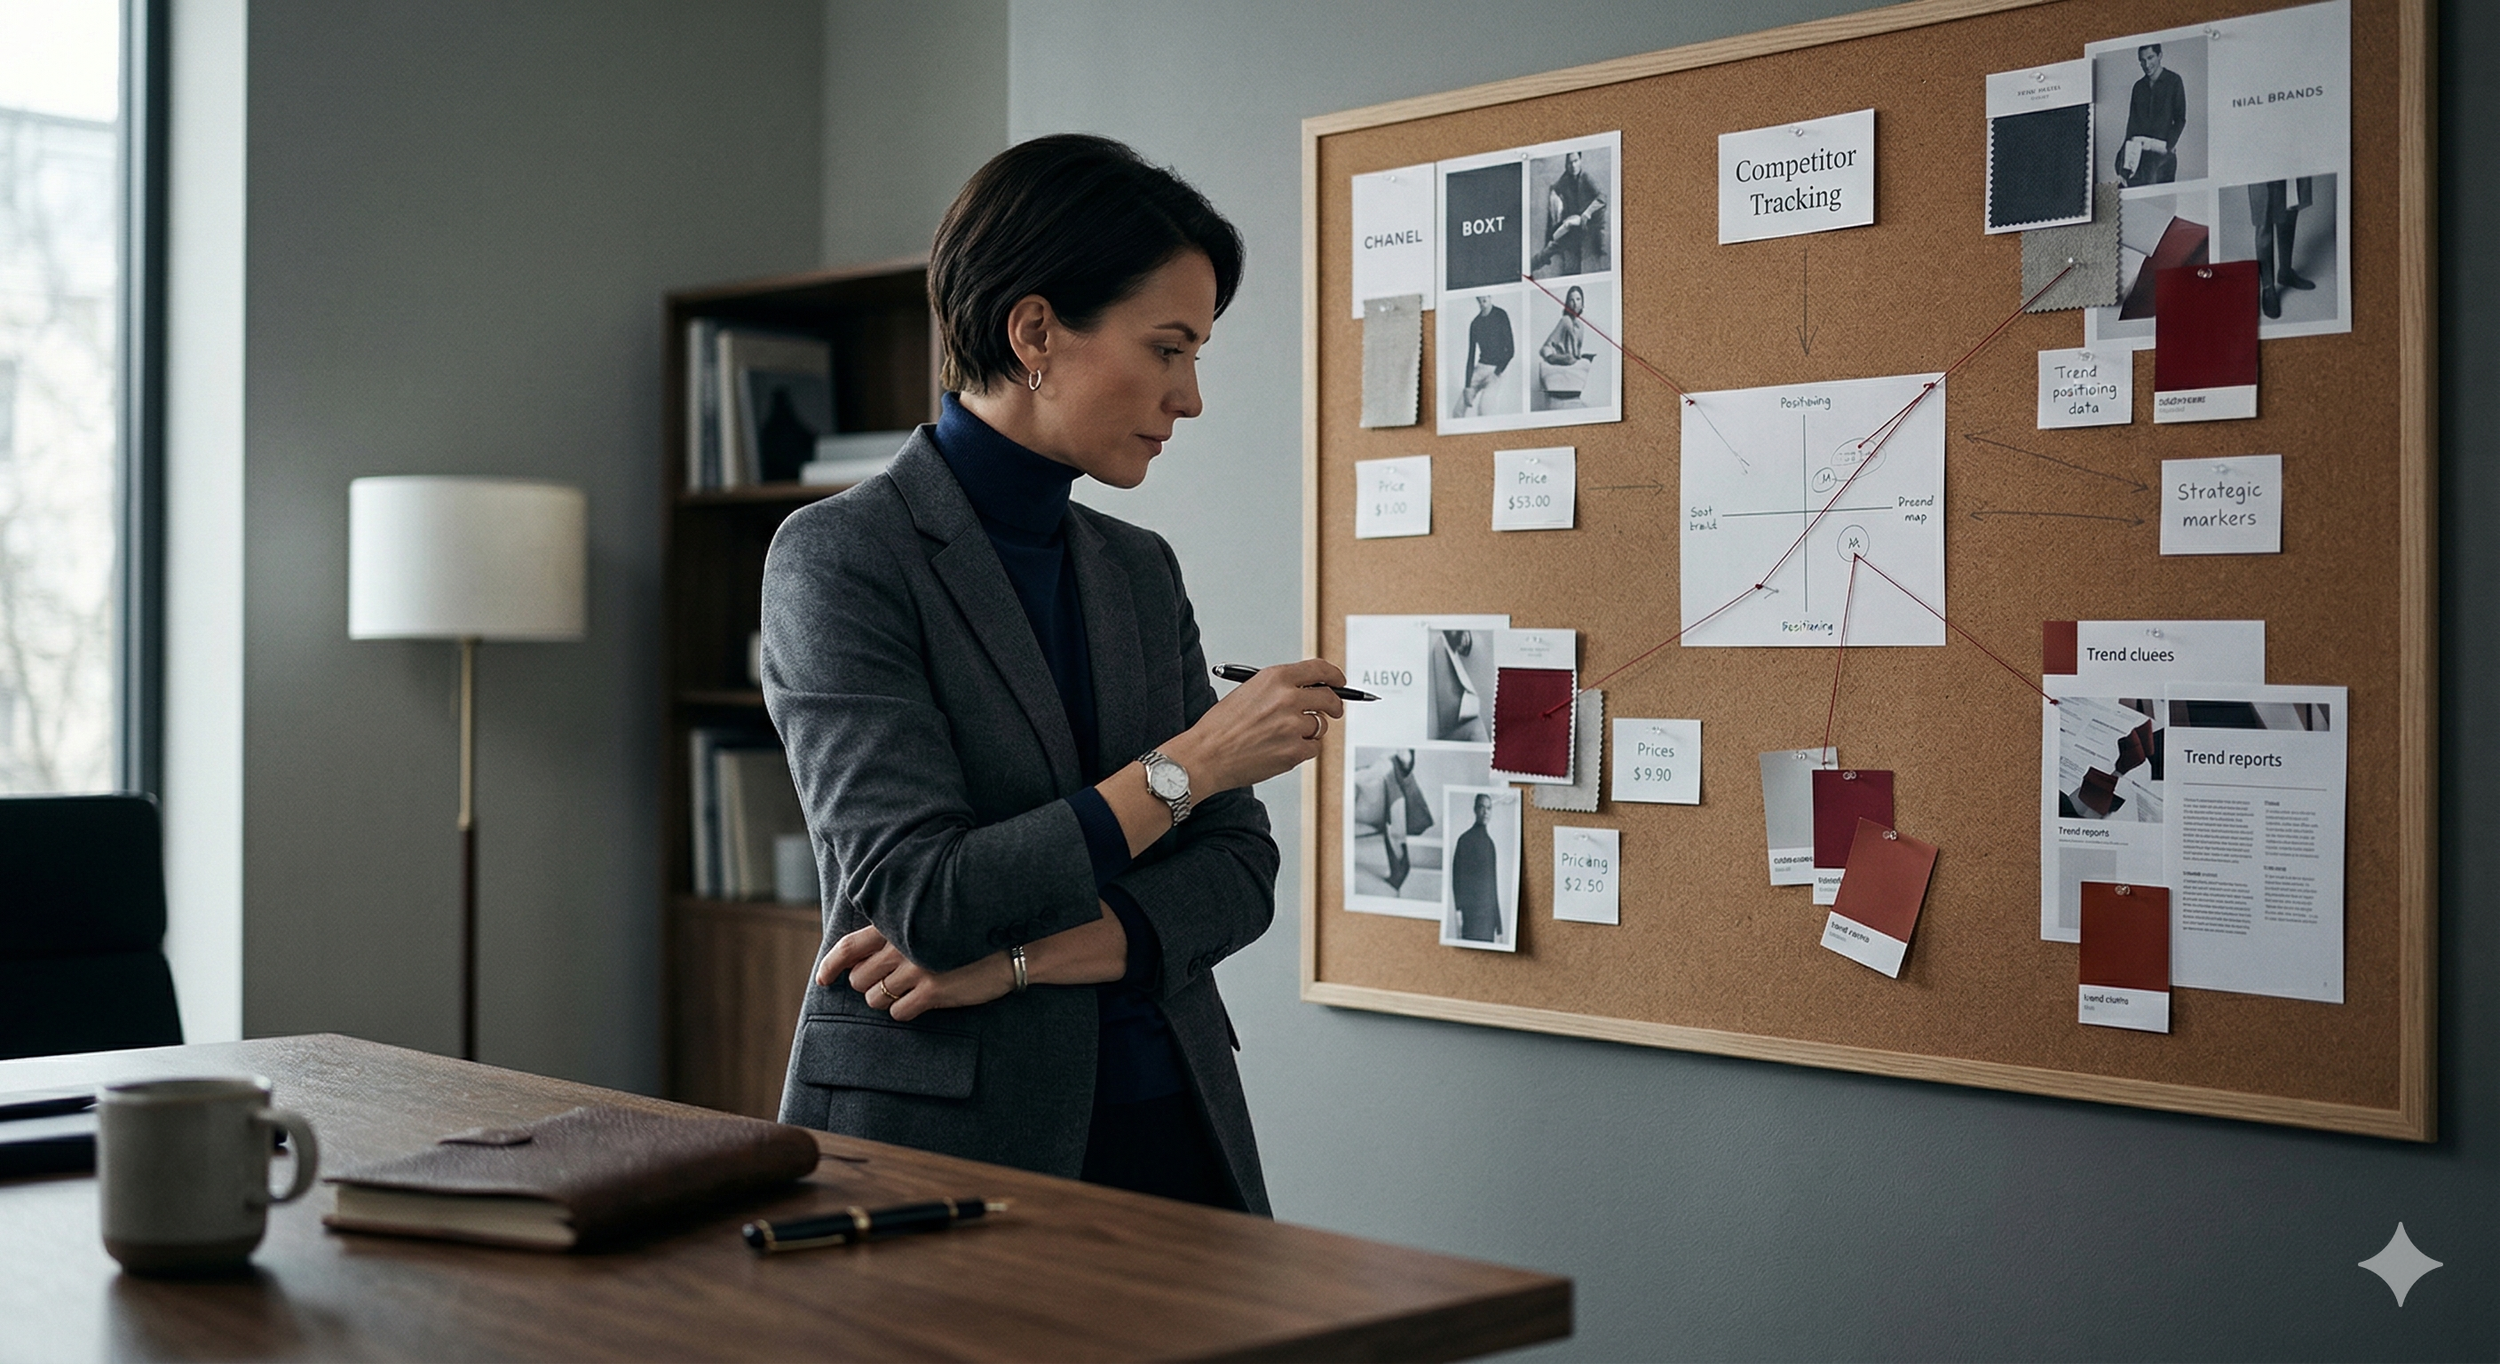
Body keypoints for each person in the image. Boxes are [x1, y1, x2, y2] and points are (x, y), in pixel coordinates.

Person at [761, 134, 1348, 1215]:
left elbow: (1238, 871)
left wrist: (1019, 962)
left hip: (1176, 1117)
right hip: (943, 1148)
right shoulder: (839, 556)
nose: (1191, 397)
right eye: (1168, 348)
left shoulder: (1136, 567)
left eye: (1197, 353)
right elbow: (925, 896)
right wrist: (1192, 762)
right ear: (1034, 331)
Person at [2118, 44, 2186, 187]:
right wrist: (2124, 156)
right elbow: (2132, 123)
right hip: (2139, 154)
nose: (2147, 65)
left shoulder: (2174, 81)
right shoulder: (2138, 87)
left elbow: (2180, 119)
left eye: (2150, 58)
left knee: (2158, 199)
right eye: (2142, 60)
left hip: (2162, 154)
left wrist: (2168, 146)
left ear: (2160, 55)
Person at [1531, 150, 1607, 276]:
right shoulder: (1564, 180)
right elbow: (1554, 190)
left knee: (1589, 256)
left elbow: (1602, 197)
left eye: (1575, 161)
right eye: (1569, 163)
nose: (1573, 166)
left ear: (1580, 161)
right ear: (1566, 165)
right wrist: (1554, 197)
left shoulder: (1586, 178)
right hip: (1573, 225)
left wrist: (1587, 213)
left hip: (1589, 224)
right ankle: (1528, 267)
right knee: (1553, 246)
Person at [2251, 176, 2317, 319]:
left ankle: (2285, 273)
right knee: (2264, 220)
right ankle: (2268, 288)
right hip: (2262, 160)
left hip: (2290, 157)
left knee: (2290, 206)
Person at [1451, 794, 1501, 943]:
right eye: (1481, 807)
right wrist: (1459, 912)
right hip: (1471, 916)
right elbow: (1457, 879)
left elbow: (1493, 886)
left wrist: (1499, 926)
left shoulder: (1490, 844)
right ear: (1475, 810)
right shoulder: (1464, 840)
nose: (1485, 812)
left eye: (1489, 808)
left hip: (1488, 920)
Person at [1454, 295, 1514, 418]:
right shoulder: (1475, 323)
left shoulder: (1500, 315)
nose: (1482, 300)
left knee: (1484, 411)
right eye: (1479, 298)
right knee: (1457, 411)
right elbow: (1470, 356)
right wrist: (1467, 386)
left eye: (1485, 297)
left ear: (1490, 296)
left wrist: (1497, 372)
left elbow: (1511, 350)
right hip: (1480, 368)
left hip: (1496, 371)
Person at [1537, 285, 1594, 407]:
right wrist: (1559, 358)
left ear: (1582, 304)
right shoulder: (1565, 320)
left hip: (1571, 372)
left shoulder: (1580, 326)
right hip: (1560, 365)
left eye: (1578, 300)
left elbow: (1576, 353)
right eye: (1571, 300)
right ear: (1567, 304)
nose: (1575, 304)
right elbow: (1546, 348)